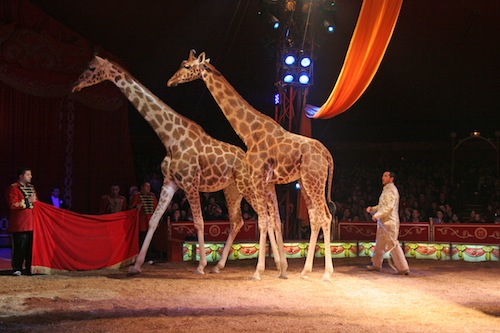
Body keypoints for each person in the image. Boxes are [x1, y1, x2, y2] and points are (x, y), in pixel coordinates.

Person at [366, 171, 410, 275]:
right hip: (383, 222)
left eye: (385, 176)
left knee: (393, 244)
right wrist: (373, 209)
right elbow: (382, 206)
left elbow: (388, 207)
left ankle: (403, 268)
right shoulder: (386, 190)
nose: (383, 177)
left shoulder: (392, 190)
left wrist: (377, 215)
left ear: (391, 179)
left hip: (390, 222)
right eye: (383, 175)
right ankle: (376, 265)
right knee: (380, 244)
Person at [5, 167, 37, 276]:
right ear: (21, 176)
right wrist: (28, 201)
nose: (30, 177)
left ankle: (29, 268)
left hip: (32, 223)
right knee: (19, 247)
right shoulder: (13, 188)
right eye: (28, 174)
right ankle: (17, 268)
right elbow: (13, 204)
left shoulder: (31, 188)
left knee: (30, 248)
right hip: (20, 224)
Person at [129, 182, 158, 260]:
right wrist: (137, 206)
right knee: (142, 239)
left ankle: (149, 257)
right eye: (146, 186)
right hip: (142, 222)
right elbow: (131, 207)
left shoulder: (152, 196)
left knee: (150, 240)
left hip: (150, 221)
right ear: (142, 187)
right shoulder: (137, 196)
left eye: (149, 186)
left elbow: (156, 208)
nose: (148, 188)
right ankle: (141, 257)